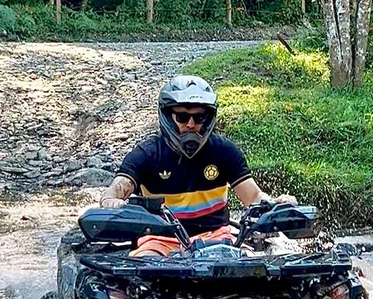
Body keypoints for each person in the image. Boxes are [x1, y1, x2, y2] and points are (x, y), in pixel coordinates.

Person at [99, 75, 296, 257]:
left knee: (253, 269)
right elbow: (117, 188)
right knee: (137, 275)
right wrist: (111, 201)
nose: (191, 124)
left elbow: (253, 197)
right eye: (183, 117)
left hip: (218, 239)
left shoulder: (224, 151)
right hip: (159, 242)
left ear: (208, 118)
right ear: (168, 116)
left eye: (199, 117)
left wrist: (275, 204)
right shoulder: (146, 154)